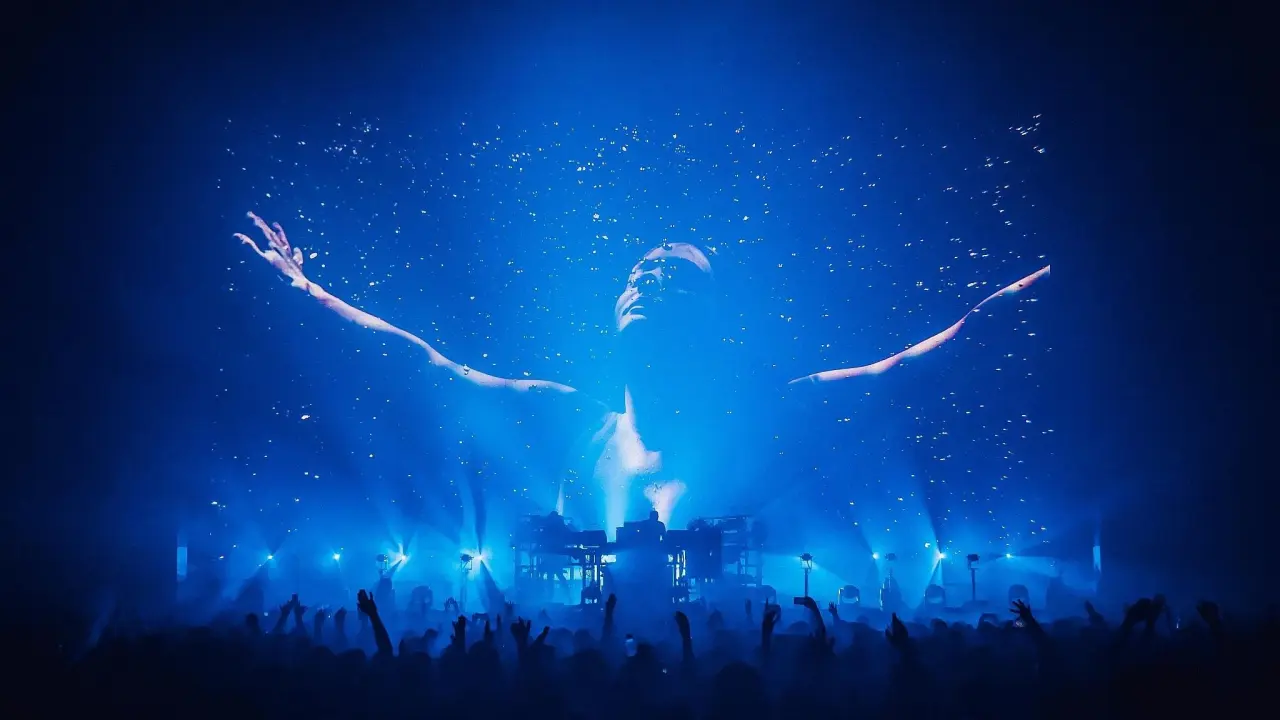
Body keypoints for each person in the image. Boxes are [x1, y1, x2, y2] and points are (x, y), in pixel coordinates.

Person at [237, 213, 1049, 529]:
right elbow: (424, 366)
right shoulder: (564, 417)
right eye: (638, 273)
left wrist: (981, 324)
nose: (649, 280)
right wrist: (310, 293)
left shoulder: (769, 417)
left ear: (712, 317)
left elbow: (893, 372)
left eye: (674, 276)